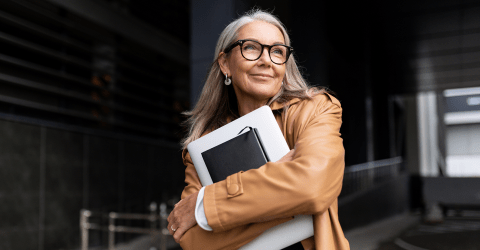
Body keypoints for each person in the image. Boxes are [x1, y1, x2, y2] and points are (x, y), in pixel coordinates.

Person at [168, 9, 350, 250]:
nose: (266, 60)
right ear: (225, 63)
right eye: (251, 47)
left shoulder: (316, 109)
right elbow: (193, 241)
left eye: (277, 51)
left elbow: (312, 188)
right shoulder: (202, 145)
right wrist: (286, 196)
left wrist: (205, 207)